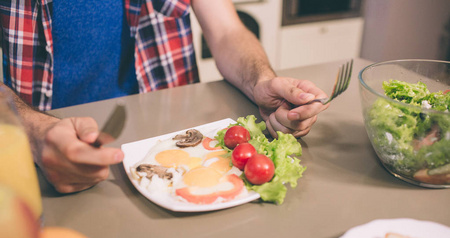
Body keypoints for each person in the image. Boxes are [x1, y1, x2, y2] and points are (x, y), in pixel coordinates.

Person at [0, 0, 329, 194]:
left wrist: (262, 80)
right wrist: (34, 133)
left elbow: (228, 30)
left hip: (184, 153)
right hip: (51, 160)